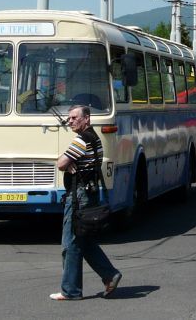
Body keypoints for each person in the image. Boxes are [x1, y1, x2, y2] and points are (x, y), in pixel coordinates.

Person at [50, 104, 122, 301]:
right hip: (87, 193)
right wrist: (69, 161)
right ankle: (110, 275)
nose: (70, 121)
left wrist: (67, 161)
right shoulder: (94, 138)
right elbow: (70, 161)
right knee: (84, 240)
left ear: (86, 119)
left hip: (78, 196)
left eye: (74, 118)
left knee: (70, 243)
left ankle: (71, 290)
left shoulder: (82, 139)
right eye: (69, 118)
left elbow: (61, 163)